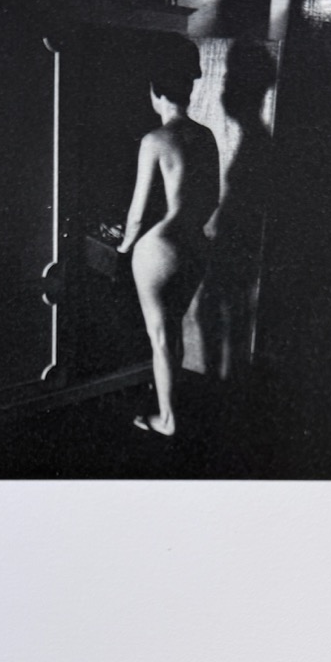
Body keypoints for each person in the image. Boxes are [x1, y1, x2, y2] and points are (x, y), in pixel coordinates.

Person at [117, 37, 219, 435]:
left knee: (160, 337)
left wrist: (125, 246)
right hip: (195, 245)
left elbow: (137, 215)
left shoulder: (154, 141)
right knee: (173, 330)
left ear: (155, 91)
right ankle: (170, 404)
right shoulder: (206, 136)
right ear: (189, 86)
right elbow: (211, 200)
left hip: (160, 249)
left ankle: (167, 419)